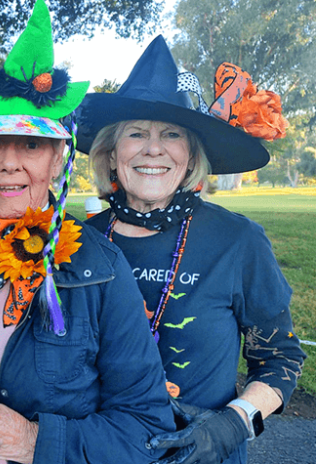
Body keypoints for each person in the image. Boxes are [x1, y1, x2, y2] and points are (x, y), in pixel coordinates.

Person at [0, 2, 175, 463]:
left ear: (56, 161)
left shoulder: (101, 272)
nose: (10, 162)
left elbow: (146, 429)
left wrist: (27, 440)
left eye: (31, 144)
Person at [77, 36, 307, 464]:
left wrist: (235, 422)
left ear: (191, 156)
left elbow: (281, 357)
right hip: (98, 450)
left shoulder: (238, 241)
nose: (153, 148)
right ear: (111, 154)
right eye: (136, 133)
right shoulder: (75, 241)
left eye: (171, 134)